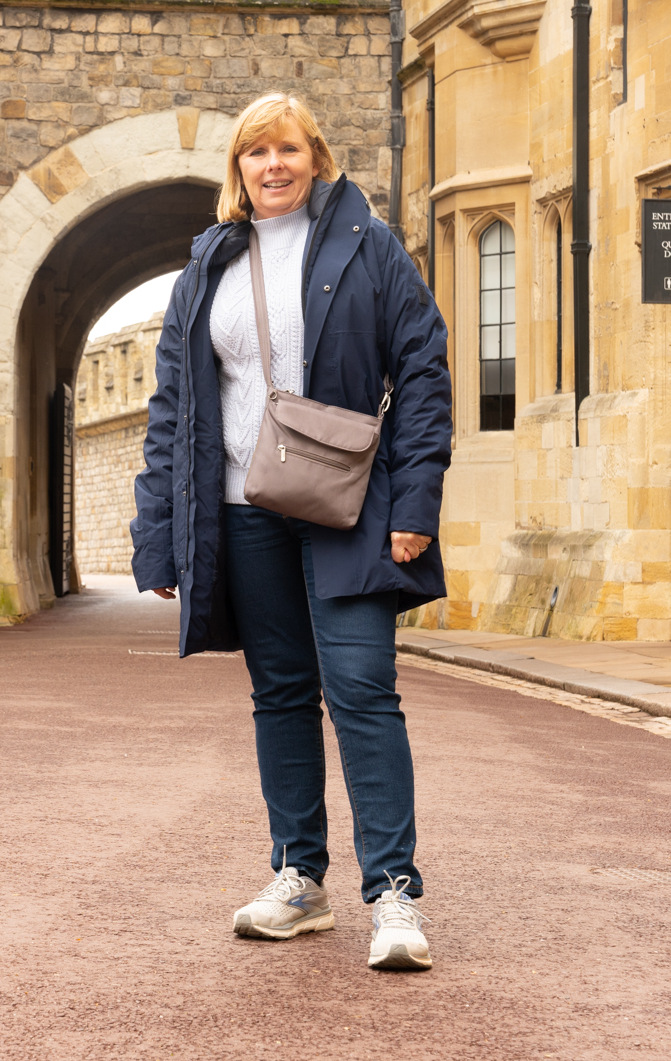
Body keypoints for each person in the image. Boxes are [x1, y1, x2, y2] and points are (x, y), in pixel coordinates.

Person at [130, 92, 452, 971]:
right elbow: (173, 407)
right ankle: (299, 878)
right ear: (238, 168)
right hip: (244, 510)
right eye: (256, 152)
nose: (273, 166)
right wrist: (160, 533)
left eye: (289, 150)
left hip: (351, 506)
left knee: (362, 688)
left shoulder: (368, 245)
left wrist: (415, 504)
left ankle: (393, 893)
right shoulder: (208, 265)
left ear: (317, 158)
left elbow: (423, 370)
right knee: (279, 694)